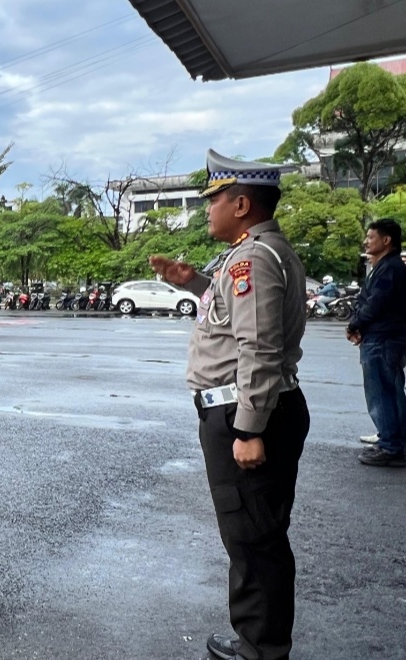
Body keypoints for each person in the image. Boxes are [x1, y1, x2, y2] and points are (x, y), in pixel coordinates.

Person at [149, 149, 308, 660]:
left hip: (244, 411)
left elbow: (258, 346)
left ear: (241, 204)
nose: (207, 210)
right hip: (248, 408)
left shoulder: (252, 259)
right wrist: (192, 282)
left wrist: (248, 429)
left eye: (214, 200)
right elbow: (236, 315)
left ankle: (260, 649)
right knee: (255, 531)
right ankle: (260, 640)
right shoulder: (258, 252)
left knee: (252, 535)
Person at [347, 218, 406, 467]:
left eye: (371, 237)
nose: (366, 241)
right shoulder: (386, 267)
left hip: (383, 338)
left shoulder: (390, 269)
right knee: (391, 390)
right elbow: (366, 300)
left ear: (386, 240)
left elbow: (375, 303)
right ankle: (395, 442)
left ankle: (391, 446)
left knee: (382, 393)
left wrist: (354, 325)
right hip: (383, 336)